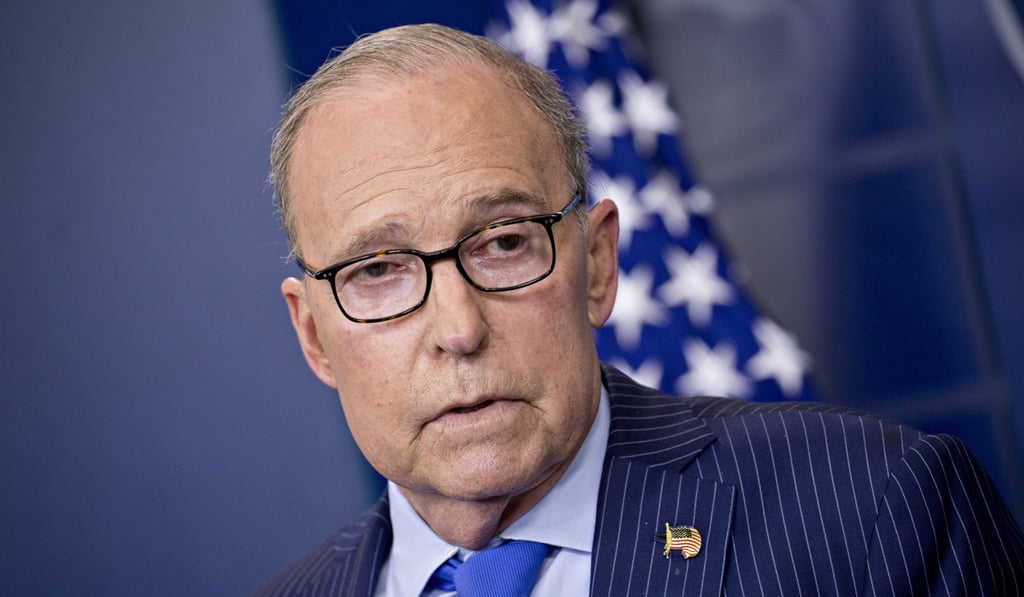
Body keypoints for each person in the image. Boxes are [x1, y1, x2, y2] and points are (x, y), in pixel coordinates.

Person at [255, 23, 1024, 597]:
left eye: (503, 243)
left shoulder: (877, 512)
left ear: (597, 264)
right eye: (379, 270)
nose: (459, 329)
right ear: (315, 335)